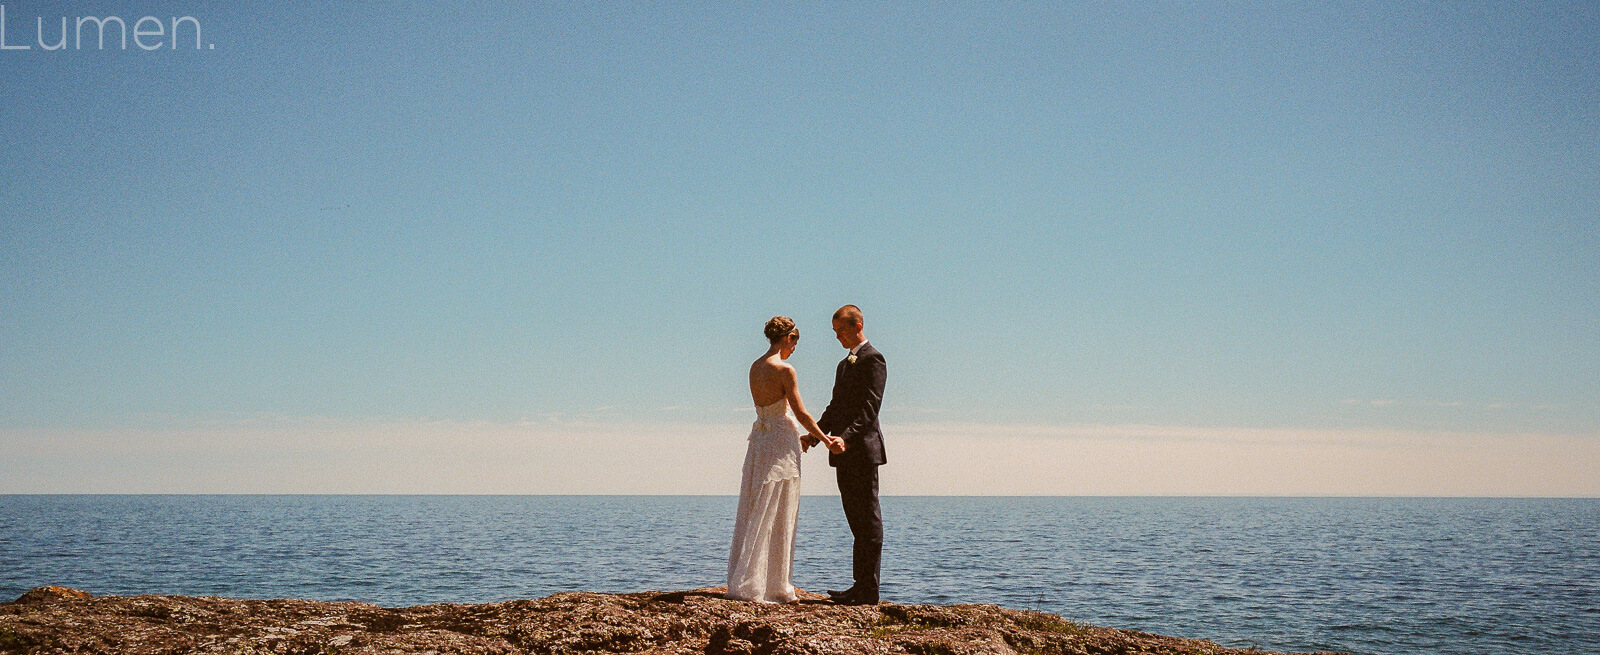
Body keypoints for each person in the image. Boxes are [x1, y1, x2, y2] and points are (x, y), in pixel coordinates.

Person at [726, 316, 844, 603]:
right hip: (779, 438)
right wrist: (825, 438)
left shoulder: (755, 367)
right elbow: (800, 412)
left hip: (760, 438)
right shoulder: (784, 369)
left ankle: (754, 578)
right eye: (795, 343)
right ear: (789, 338)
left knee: (758, 502)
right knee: (778, 506)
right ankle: (774, 584)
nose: (794, 349)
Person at [809, 304, 888, 605]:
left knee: (868, 520)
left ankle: (870, 589)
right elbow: (835, 408)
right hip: (842, 454)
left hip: (863, 452)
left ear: (857, 326)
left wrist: (845, 438)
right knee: (856, 522)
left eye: (841, 330)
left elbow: (870, 409)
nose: (838, 337)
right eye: (835, 332)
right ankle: (860, 585)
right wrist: (815, 436)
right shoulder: (843, 366)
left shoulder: (874, 359)